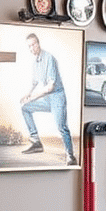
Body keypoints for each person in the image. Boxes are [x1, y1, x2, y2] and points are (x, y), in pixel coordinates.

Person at [20, 32, 77, 164]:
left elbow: (50, 87)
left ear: (38, 43)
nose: (31, 48)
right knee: (25, 108)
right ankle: (36, 142)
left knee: (62, 127)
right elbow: (35, 82)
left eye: (33, 45)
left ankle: (70, 156)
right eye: (29, 46)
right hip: (47, 99)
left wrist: (33, 96)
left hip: (57, 97)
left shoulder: (49, 58)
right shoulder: (35, 62)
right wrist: (28, 94)